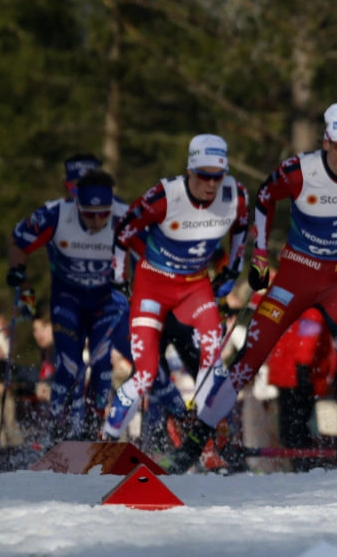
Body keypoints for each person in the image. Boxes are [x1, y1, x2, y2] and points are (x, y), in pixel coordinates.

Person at [167, 104, 337, 473]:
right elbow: (263, 198)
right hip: (297, 276)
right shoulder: (298, 171)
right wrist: (258, 256)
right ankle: (195, 442)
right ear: (326, 142)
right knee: (250, 357)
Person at [104, 135, 249, 449]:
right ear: (190, 170)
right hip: (152, 288)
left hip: (194, 288)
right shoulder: (164, 196)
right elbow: (123, 231)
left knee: (213, 360)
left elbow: (242, 228)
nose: (211, 185)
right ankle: (107, 441)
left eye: (217, 176)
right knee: (145, 375)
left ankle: (202, 440)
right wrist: (117, 278)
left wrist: (233, 268)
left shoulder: (235, 196)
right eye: (203, 176)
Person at [6, 166, 128, 439]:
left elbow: (150, 249)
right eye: (89, 214)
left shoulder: (124, 217)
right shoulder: (56, 214)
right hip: (68, 300)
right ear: (77, 205)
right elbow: (18, 241)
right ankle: (57, 425)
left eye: (103, 214)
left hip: (104, 303)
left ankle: (92, 425)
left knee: (100, 362)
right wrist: (21, 279)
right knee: (70, 364)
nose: (97, 222)